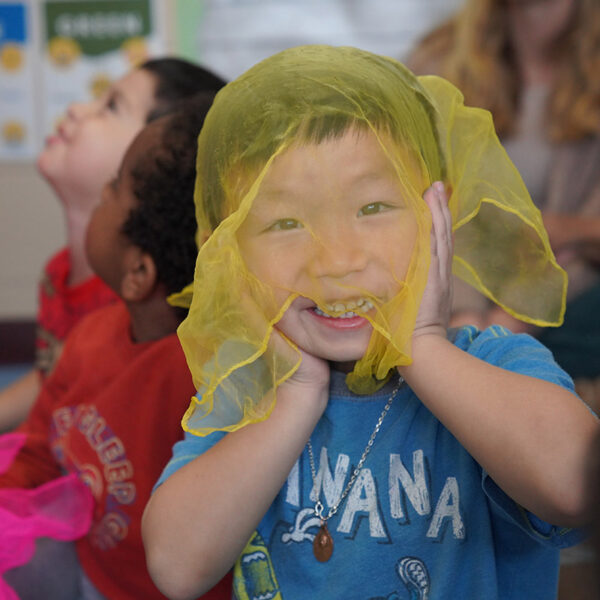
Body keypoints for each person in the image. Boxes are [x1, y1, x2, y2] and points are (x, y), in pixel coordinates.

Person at [141, 45, 599, 600]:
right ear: (231, 254)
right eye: (286, 222)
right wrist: (296, 399)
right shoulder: (247, 395)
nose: (337, 259)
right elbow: (175, 566)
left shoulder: (494, 365)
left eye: (372, 209)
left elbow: (575, 485)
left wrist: (422, 344)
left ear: (437, 219)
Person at [0, 98, 232, 600]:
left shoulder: (205, 382)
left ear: (138, 273)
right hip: (84, 563)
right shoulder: (89, 337)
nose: (103, 192)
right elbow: (38, 449)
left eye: (114, 187)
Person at [0, 57, 226, 433]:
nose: (76, 109)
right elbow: (52, 377)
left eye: (111, 106)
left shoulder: (139, 314)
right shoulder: (58, 272)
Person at [407, 0, 600, 400]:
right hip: (459, 272)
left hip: (571, 274)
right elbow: (420, 197)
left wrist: (566, 230)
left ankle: (479, 350)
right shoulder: (439, 63)